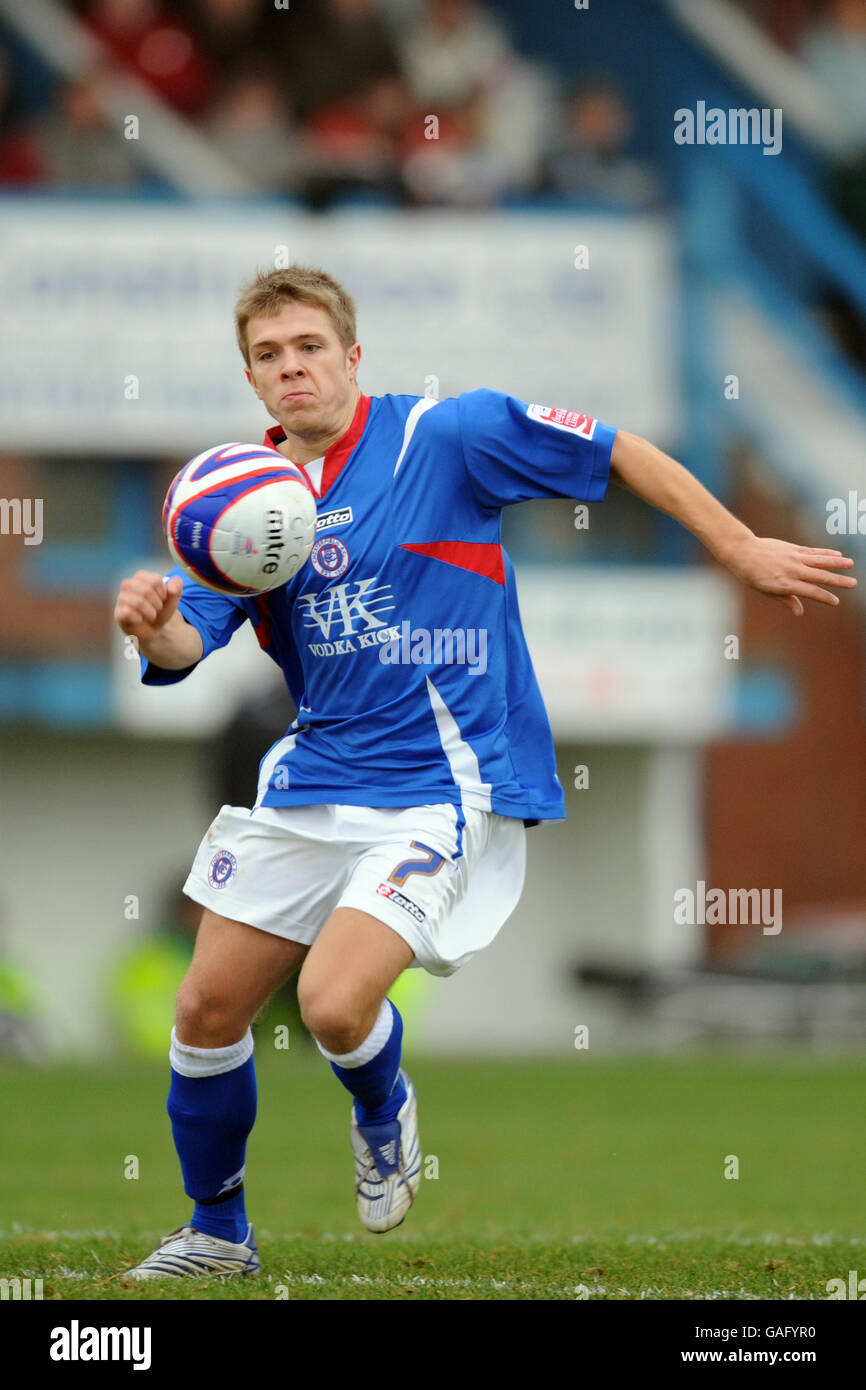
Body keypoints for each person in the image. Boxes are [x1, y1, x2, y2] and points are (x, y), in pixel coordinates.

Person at [112, 265, 857, 1279]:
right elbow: (186, 649)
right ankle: (215, 1231)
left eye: (308, 347)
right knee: (202, 1012)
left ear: (351, 355)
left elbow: (616, 448)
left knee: (333, 1004)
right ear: (250, 377)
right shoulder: (238, 502)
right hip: (311, 778)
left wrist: (735, 545)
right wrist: (156, 630)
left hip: (436, 786)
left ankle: (382, 1107)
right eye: (268, 356)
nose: (291, 369)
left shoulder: (446, 436)